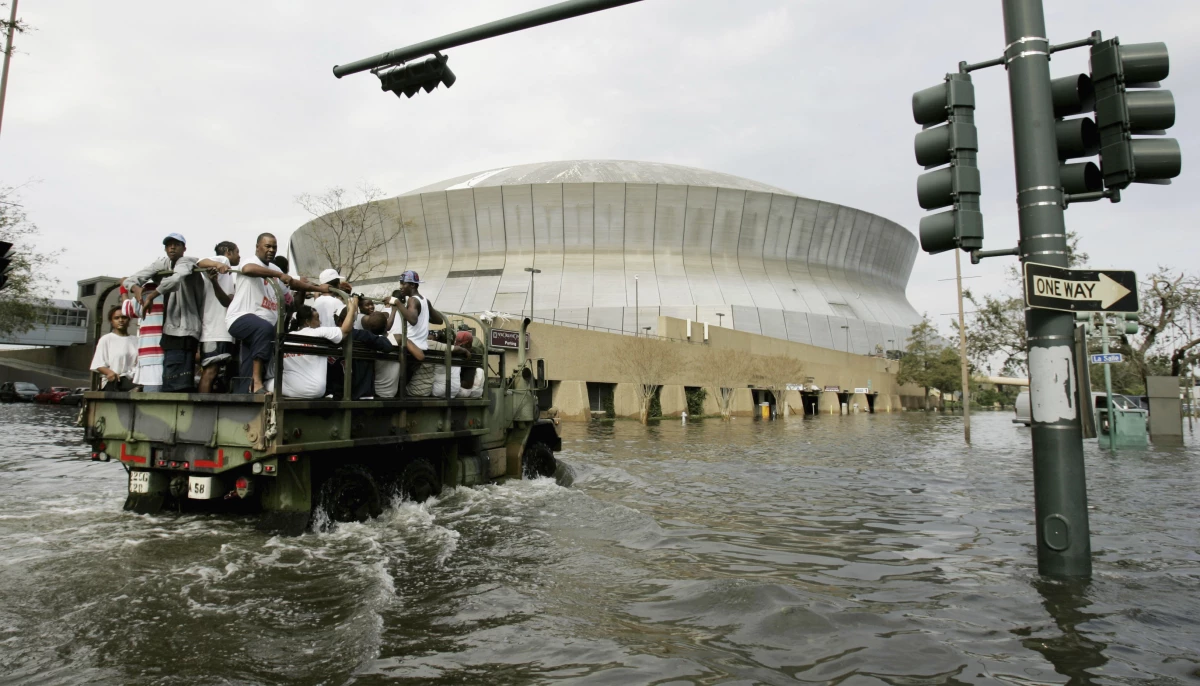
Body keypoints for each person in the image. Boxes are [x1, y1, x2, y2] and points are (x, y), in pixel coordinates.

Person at [124, 233, 228, 393]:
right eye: (169, 245)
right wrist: (136, 287)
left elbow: (175, 279)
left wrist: (152, 295)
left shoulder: (186, 261)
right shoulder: (163, 263)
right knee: (173, 377)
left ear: (184, 248)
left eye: (176, 244)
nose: (172, 247)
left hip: (185, 328)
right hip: (172, 329)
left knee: (178, 380)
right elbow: (132, 278)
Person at [226, 233, 329, 394]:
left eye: (274, 247)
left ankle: (244, 393)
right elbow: (247, 269)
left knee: (250, 360)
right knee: (264, 329)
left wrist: (320, 289)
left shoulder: (275, 269)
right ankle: (258, 384)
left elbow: (293, 283)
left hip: (262, 327)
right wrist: (279, 275)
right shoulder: (251, 261)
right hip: (241, 317)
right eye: (267, 246)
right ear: (257, 247)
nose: (271, 250)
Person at [281, 297, 357, 399]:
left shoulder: (288, 337)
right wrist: (352, 308)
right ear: (307, 322)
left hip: (287, 388)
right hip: (315, 391)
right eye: (317, 318)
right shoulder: (317, 332)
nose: (320, 322)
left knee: (269, 382)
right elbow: (345, 330)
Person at [198, 241, 239, 393]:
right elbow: (200, 262)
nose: (239, 256)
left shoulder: (227, 275)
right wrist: (217, 263)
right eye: (237, 252)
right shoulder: (223, 260)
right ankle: (202, 406)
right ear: (228, 252)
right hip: (214, 330)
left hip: (221, 331)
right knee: (210, 371)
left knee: (217, 372)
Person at [123, 283, 165, 392]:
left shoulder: (140, 298)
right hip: (169, 353)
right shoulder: (171, 295)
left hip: (148, 356)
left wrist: (125, 289)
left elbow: (126, 309)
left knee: (152, 396)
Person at [90, 306, 138, 390]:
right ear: (111, 321)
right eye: (116, 318)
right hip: (114, 382)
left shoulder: (136, 340)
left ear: (129, 320)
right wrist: (110, 373)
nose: (121, 320)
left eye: (124, 317)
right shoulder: (106, 339)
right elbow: (98, 363)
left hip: (133, 380)